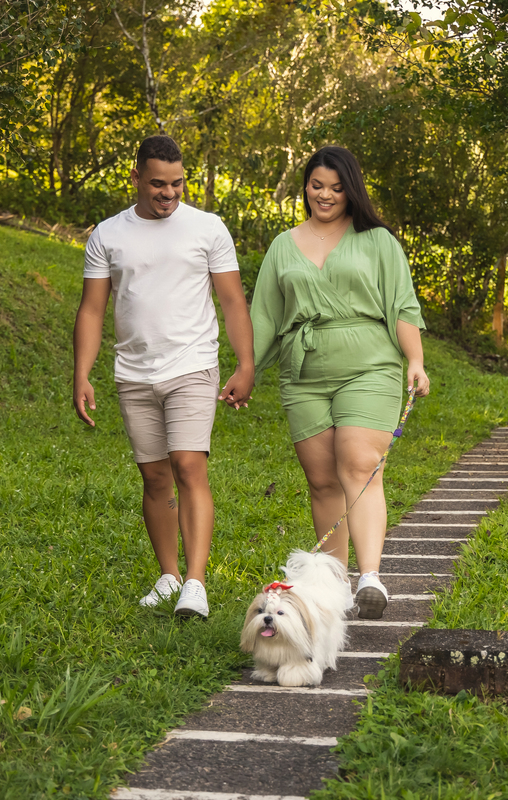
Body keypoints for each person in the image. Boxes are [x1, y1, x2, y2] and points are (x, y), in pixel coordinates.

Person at [73, 134, 255, 618]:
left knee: (188, 466)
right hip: (133, 371)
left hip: (192, 364)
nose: (169, 194)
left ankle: (196, 582)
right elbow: (92, 310)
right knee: (154, 477)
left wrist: (245, 364)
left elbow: (233, 301)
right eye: (158, 184)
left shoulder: (207, 228)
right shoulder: (107, 235)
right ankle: (169, 574)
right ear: (135, 178)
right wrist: (82, 373)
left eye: (177, 184)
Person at [249, 145, 430, 620]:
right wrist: (245, 372)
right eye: (316, 185)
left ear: (352, 190)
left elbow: (402, 305)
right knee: (322, 481)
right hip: (304, 374)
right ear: (305, 186)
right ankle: (333, 590)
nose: (325, 195)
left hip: (369, 364)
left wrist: (415, 359)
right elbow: (264, 317)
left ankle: (370, 577)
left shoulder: (377, 241)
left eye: (336, 187)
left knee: (359, 463)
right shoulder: (283, 245)